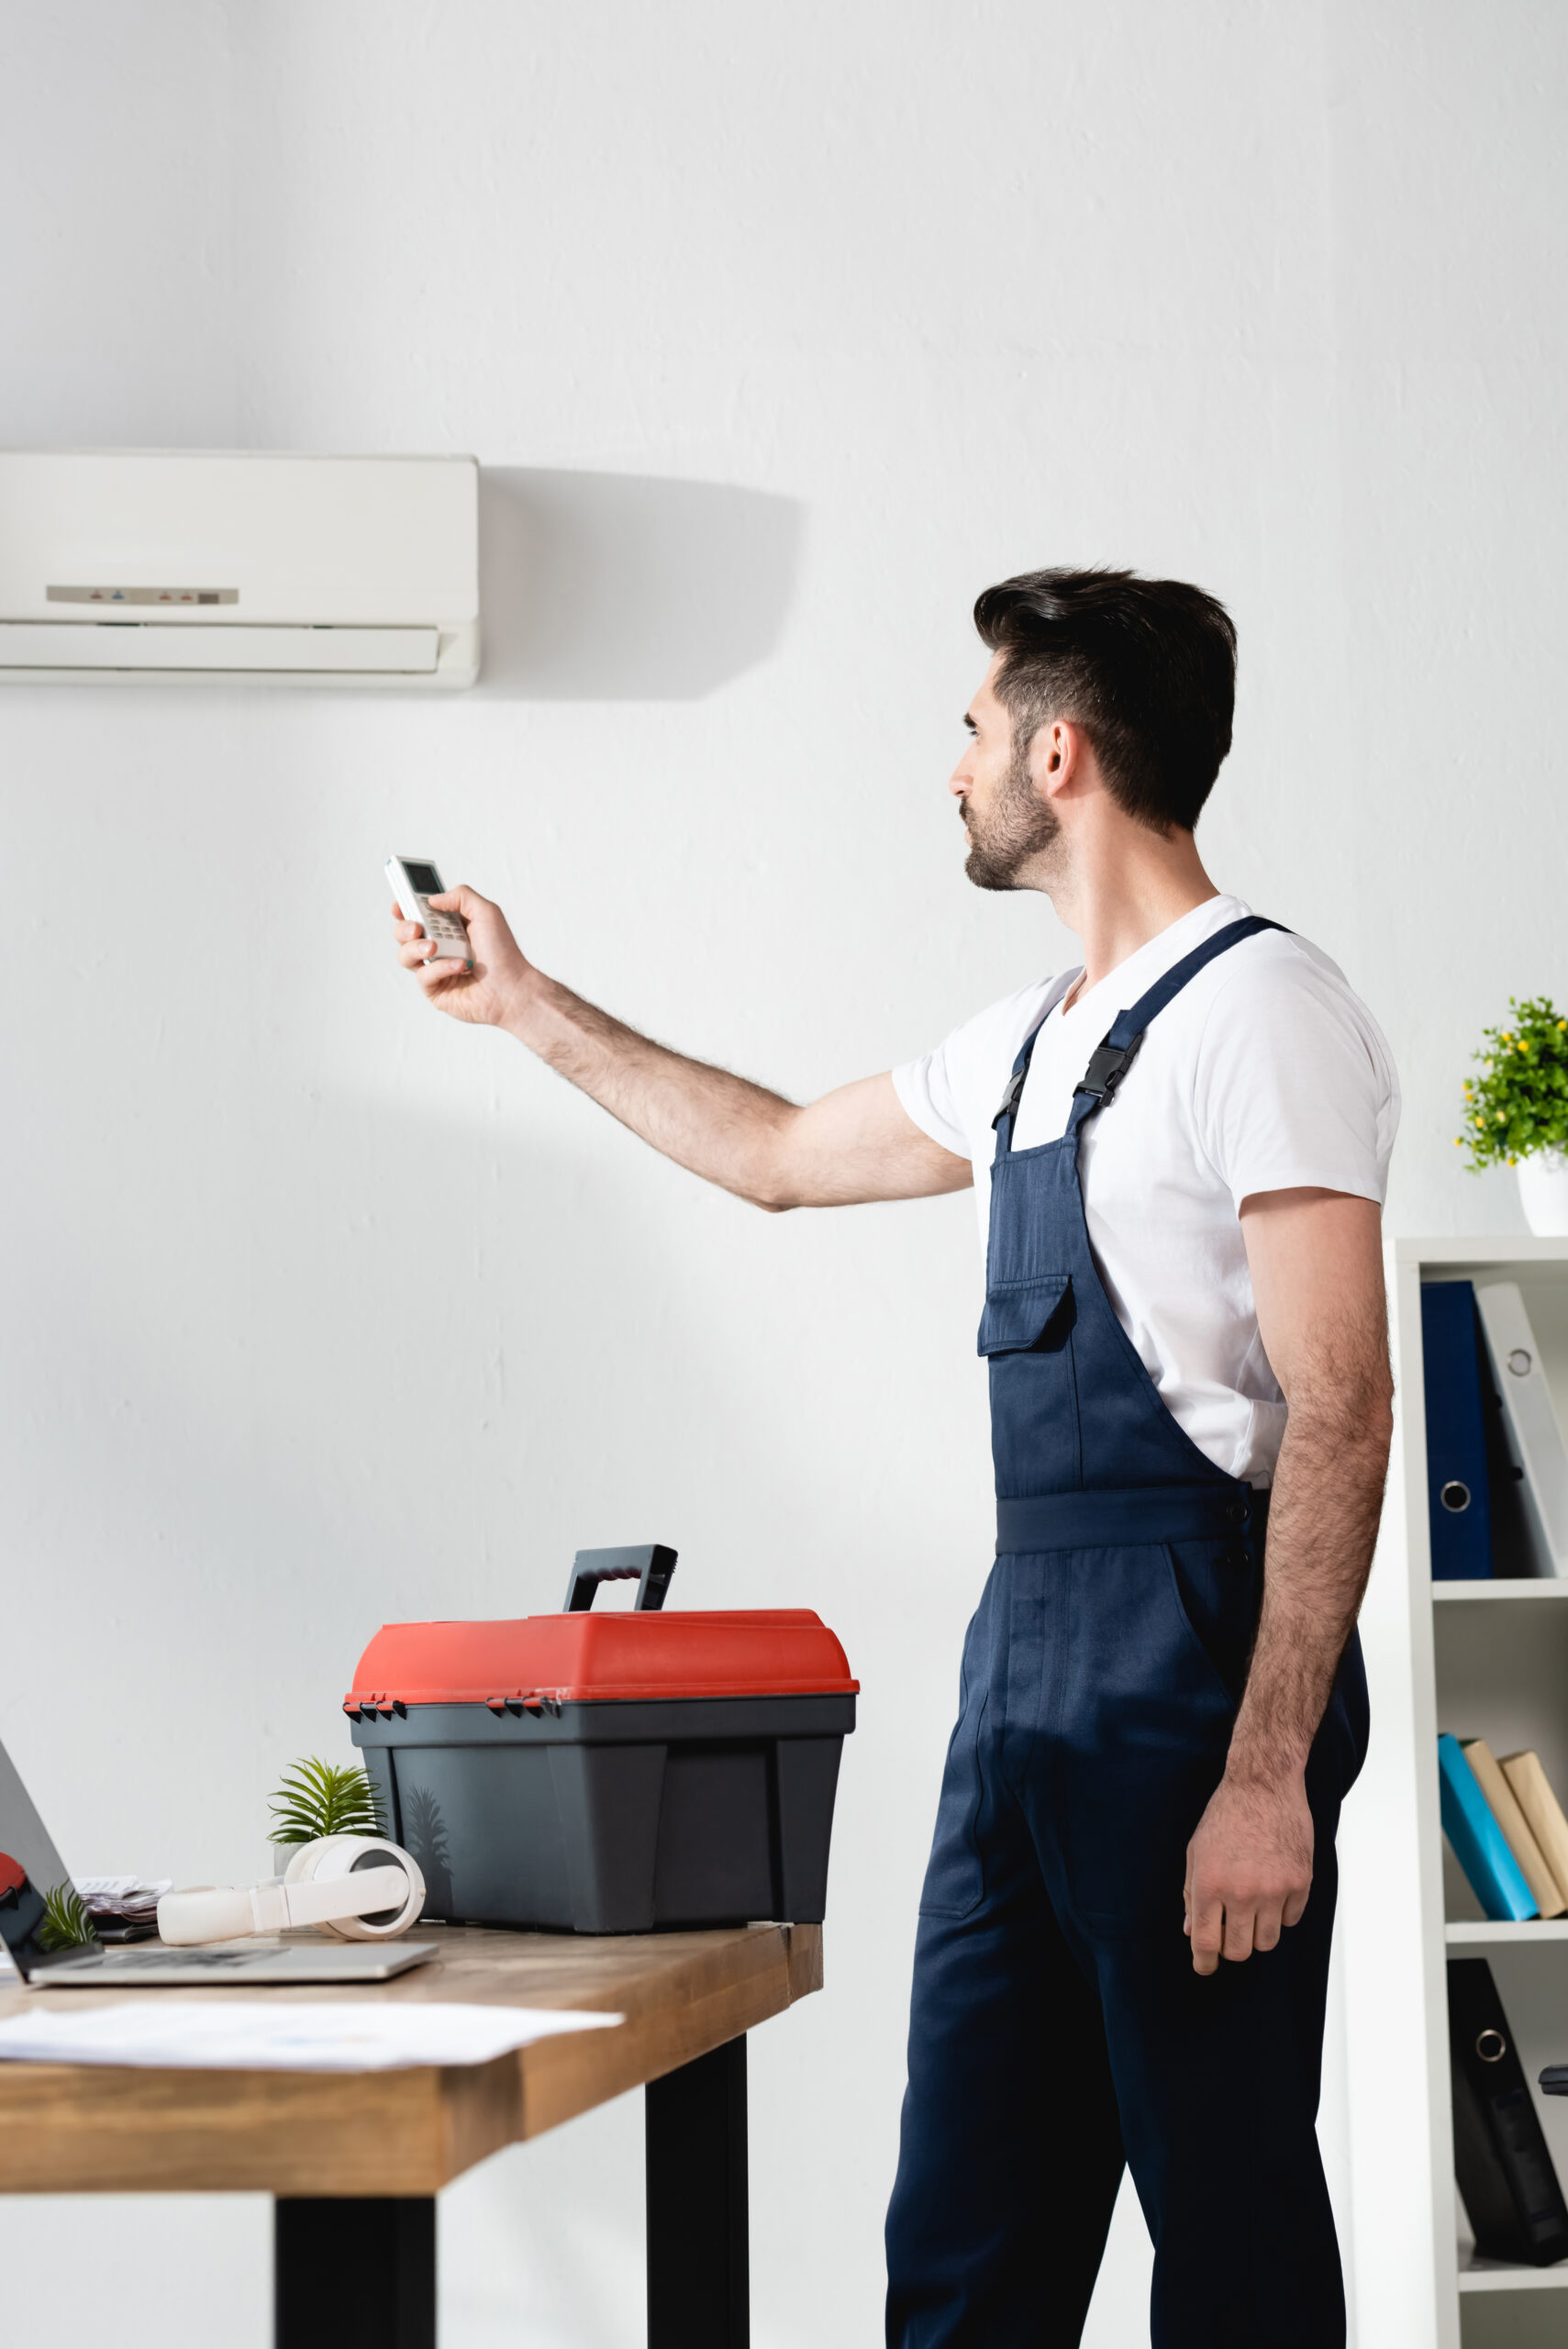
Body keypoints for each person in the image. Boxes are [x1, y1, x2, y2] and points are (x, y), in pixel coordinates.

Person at [390, 567, 1397, 2348]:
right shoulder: (1022, 1047)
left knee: (1225, 2233)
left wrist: (1266, 1773)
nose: (955, 767)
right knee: (966, 2240)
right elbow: (776, 1149)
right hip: (1023, 1681)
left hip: (1194, 1667)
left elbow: (1344, 1396)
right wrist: (529, 1007)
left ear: (1059, 752)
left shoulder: (1264, 1012)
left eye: (972, 728)